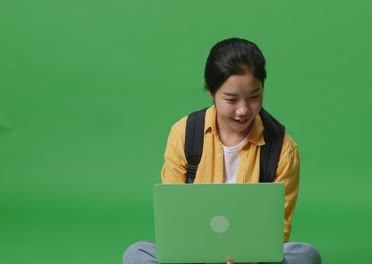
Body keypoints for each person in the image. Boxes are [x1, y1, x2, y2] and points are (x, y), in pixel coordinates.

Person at [123, 38, 322, 264]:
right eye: (231, 99)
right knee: (136, 253)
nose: (243, 109)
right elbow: (173, 218)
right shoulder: (184, 133)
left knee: (305, 255)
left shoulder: (283, 148)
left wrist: (245, 255)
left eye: (254, 96)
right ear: (211, 91)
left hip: (252, 258)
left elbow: (278, 229)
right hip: (193, 255)